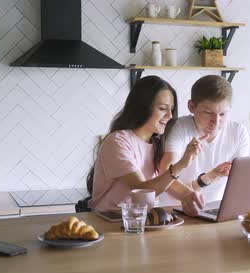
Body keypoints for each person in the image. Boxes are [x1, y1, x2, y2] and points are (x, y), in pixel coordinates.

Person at [87, 75, 204, 215]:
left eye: (171, 109)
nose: (170, 116)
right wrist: (180, 165)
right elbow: (141, 192)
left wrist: (188, 196)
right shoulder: (117, 142)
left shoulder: (157, 144)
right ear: (142, 106)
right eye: (162, 108)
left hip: (141, 221)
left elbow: (164, 183)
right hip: (110, 222)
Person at [160, 75, 250, 205]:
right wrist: (205, 179)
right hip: (175, 210)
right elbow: (165, 180)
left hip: (216, 210)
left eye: (223, 114)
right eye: (208, 113)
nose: (216, 122)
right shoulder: (179, 128)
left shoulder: (238, 132)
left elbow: (240, 181)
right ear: (191, 106)